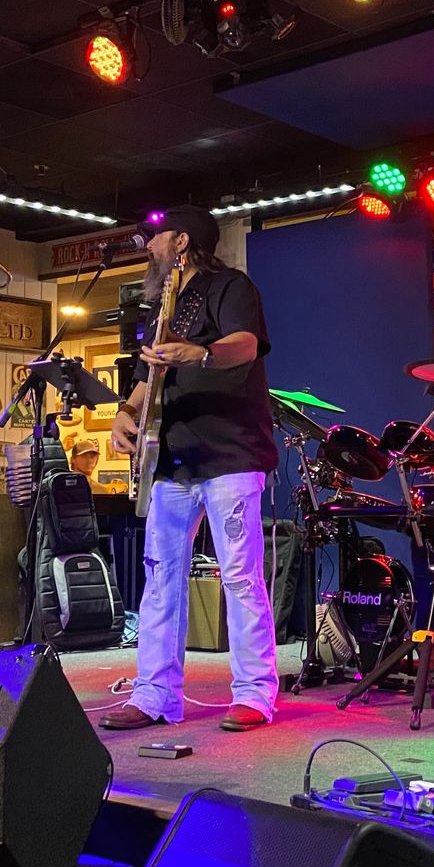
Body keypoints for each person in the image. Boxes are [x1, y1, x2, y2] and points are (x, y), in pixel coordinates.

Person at [102, 204, 279, 733]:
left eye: (157, 238)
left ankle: (255, 693)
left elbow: (245, 345)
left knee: (240, 577)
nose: (150, 247)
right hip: (171, 461)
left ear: (181, 242)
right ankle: (154, 694)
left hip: (229, 455)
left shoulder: (231, 286)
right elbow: (147, 377)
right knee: (160, 578)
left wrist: (197, 354)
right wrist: (125, 413)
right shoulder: (165, 305)